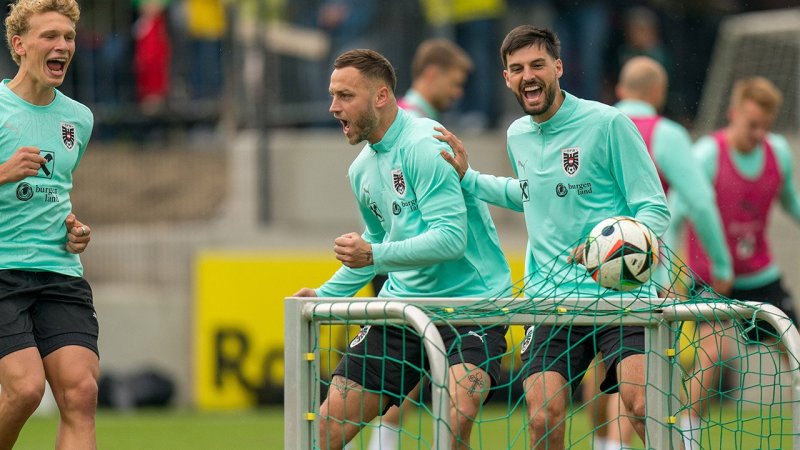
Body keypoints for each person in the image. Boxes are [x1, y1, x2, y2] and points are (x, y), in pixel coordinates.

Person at [436, 25, 670, 449]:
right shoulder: (516, 135)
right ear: (506, 78)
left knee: (640, 405)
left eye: (538, 65)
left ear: (558, 67)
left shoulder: (608, 123)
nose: (528, 75)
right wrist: (468, 179)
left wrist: (619, 248)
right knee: (543, 417)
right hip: (551, 299)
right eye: (517, 68)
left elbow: (653, 207)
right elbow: (531, 195)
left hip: (622, 296)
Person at [293, 48, 512, 450]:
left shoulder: (425, 145)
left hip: (472, 308)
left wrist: (373, 256)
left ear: (380, 96)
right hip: (405, 308)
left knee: (456, 414)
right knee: (325, 428)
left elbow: (450, 239)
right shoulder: (360, 169)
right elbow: (375, 241)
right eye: (333, 95)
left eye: (345, 96)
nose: (332, 107)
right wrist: (326, 295)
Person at [582, 55, 735, 450]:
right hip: (645, 274)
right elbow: (700, 201)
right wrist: (719, 261)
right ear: (659, 94)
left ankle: (604, 444)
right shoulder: (665, 134)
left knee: (598, 364)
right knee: (640, 371)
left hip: (588, 271)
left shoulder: (588, 127)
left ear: (619, 89)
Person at [355, 37, 475, 450]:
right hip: (408, 268)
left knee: (407, 377)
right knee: (402, 375)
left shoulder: (410, 122)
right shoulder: (412, 125)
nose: (458, 92)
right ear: (431, 74)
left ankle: (377, 442)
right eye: (455, 82)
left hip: (400, 263)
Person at [676, 76, 800, 450]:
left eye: (766, 125)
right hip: (713, 276)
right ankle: (688, 439)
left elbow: (791, 201)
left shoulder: (777, 152)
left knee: (793, 349)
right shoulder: (706, 156)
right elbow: (675, 212)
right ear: (732, 114)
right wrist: (665, 268)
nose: (759, 133)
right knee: (711, 355)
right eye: (751, 125)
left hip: (760, 273)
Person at [0, 1, 97, 449]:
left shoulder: (79, 118)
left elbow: (55, 194)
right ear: (19, 45)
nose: (63, 46)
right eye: (50, 36)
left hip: (60, 271)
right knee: (25, 390)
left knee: (81, 393)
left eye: (69, 37)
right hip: (3, 272)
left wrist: (74, 231)